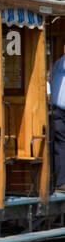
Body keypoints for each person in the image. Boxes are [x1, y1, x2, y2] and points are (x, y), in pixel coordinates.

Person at [50, 52, 65, 193]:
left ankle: (61, 182)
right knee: (60, 143)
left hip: (57, 109)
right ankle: (61, 182)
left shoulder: (59, 62)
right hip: (58, 111)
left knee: (60, 144)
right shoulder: (60, 62)